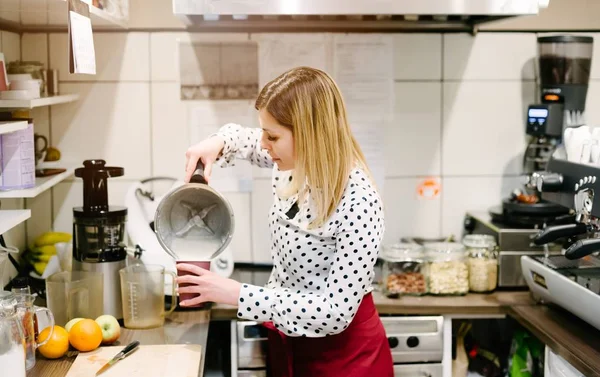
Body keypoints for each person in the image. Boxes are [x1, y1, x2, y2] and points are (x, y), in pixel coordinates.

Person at [176, 66, 393, 377]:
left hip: (345, 358)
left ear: (309, 134)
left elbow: (334, 312)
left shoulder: (358, 199)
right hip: (288, 344)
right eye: (264, 131)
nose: (264, 143)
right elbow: (246, 140)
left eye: (273, 135)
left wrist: (237, 294)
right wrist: (217, 142)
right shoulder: (292, 161)